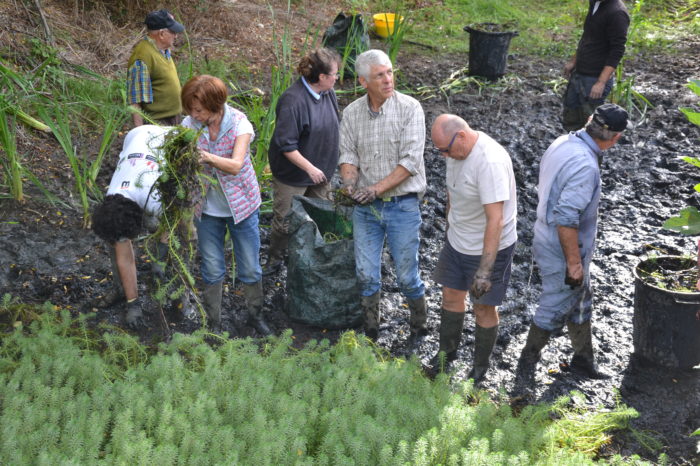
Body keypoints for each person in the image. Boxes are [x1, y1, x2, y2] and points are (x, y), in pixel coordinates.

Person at [518, 103, 629, 381]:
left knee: (581, 299)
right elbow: (566, 218)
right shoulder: (585, 166)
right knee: (555, 305)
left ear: (590, 120)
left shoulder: (563, 142)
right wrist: (574, 264)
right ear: (615, 138)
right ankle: (525, 367)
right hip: (562, 246)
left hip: (546, 233)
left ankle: (583, 360)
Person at [338, 49, 427, 352]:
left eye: (390, 72)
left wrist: (375, 188)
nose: (388, 79)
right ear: (363, 81)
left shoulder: (410, 109)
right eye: (380, 75)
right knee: (365, 273)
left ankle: (419, 325)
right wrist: (349, 185)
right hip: (366, 209)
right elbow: (348, 155)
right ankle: (370, 331)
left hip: (402, 205)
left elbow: (411, 161)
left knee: (406, 275)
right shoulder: (351, 113)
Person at [426, 114, 518, 382]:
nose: (443, 156)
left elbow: (495, 220)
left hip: (489, 247)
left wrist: (484, 272)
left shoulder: (489, 161)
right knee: (451, 294)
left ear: (462, 136)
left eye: (446, 150)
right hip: (458, 241)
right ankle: (446, 354)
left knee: (483, 307)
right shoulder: (456, 153)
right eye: (439, 150)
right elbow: (452, 196)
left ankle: (479, 368)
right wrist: (449, 232)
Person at [180, 75, 271, 335]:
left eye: (198, 109)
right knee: (211, 268)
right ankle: (214, 323)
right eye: (190, 109)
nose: (193, 114)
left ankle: (255, 316)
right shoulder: (190, 125)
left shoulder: (239, 124)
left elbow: (235, 165)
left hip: (241, 207)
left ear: (216, 104)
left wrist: (205, 157)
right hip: (207, 211)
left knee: (250, 267)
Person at [92, 125, 194, 328]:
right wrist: (133, 304)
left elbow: (174, 223)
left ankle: (180, 297)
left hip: (175, 142)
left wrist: (160, 254)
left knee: (184, 238)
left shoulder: (158, 197)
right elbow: (125, 257)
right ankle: (124, 292)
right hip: (136, 136)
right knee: (118, 245)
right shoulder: (111, 202)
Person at [264, 48, 341, 274]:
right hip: (293, 176)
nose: (338, 78)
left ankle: (311, 260)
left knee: (323, 216)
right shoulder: (293, 101)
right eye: (335, 74)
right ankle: (275, 259)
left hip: (322, 171)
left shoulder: (329, 93)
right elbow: (286, 145)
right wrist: (310, 168)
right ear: (321, 77)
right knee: (285, 222)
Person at [562, 0, 629, 132]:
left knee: (591, 126)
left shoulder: (617, 13)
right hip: (580, 72)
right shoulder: (595, 3)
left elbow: (617, 51)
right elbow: (588, 34)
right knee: (570, 116)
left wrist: (601, 82)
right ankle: (569, 146)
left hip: (595, 78)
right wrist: (574, 61)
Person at [127, 9, 185, 127]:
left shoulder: (163, 50)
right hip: (158, 124)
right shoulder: (142, 58)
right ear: (162, 34)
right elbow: (135, 102)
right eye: (173, 32)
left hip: (173, 118)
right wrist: (139, 133)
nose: (176, 35)